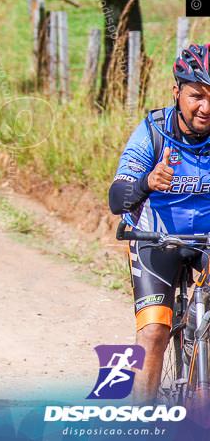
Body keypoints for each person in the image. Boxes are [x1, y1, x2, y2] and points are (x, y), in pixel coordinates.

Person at [109, 43, 210, 403]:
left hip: (207, 243)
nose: (206, 108)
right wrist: (147, 183)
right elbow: (116, 198)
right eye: (197, 96)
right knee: (154, 333)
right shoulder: (153, 131)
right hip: (156, 240)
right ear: (176, 92)